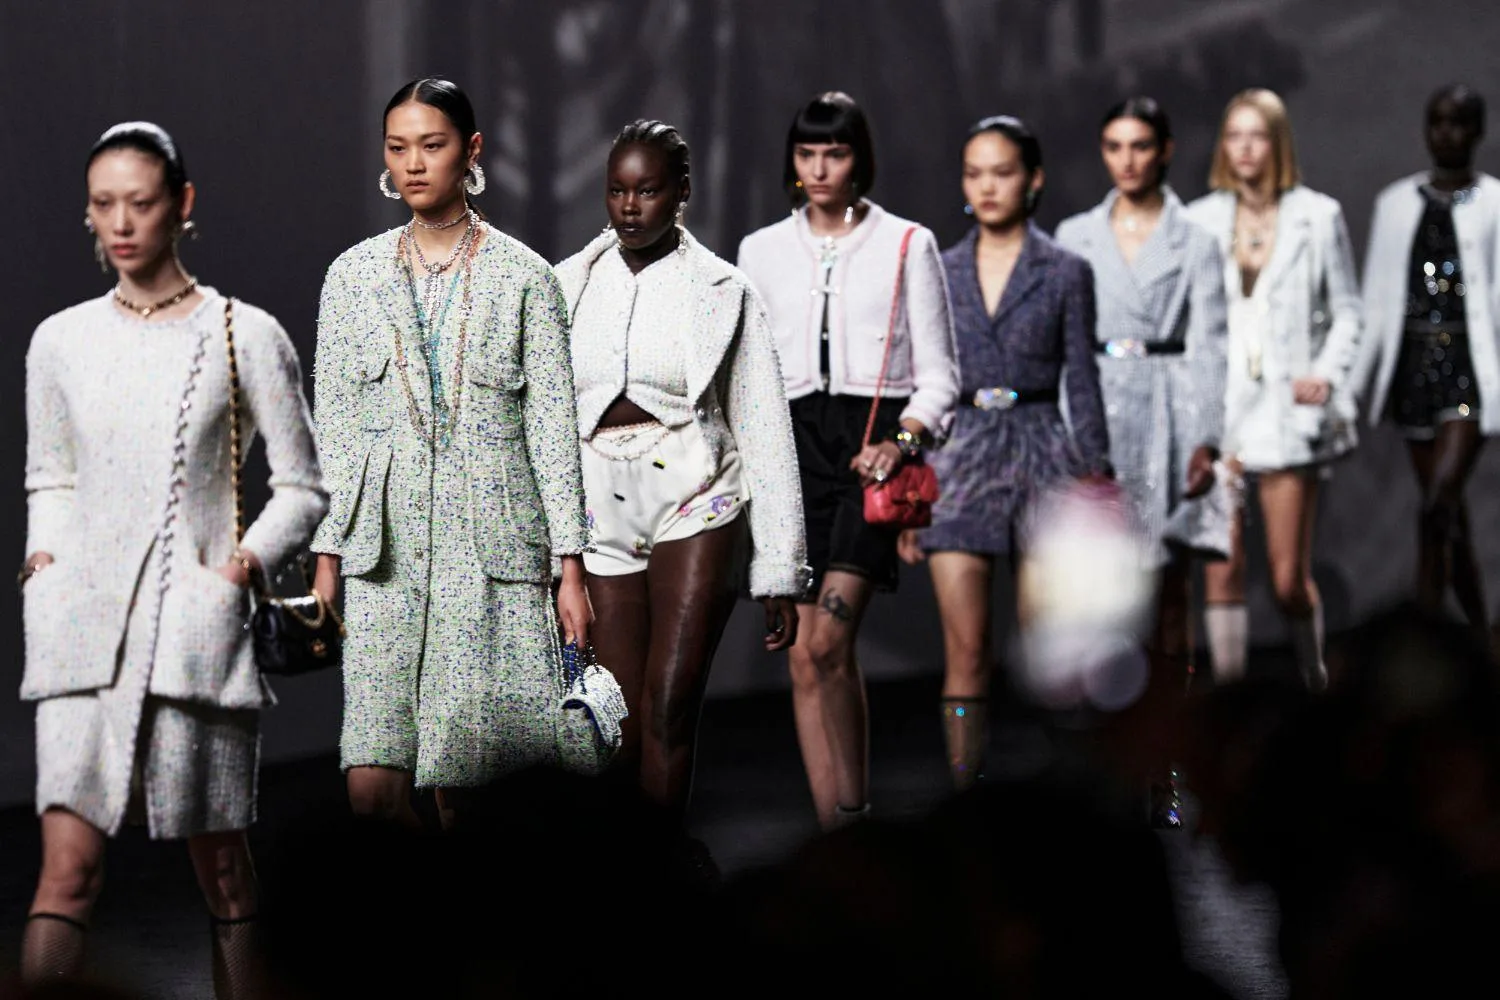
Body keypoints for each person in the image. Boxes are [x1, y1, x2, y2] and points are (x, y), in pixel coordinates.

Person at [19, 122, 326, 995]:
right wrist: (44, 562)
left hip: (192, 630)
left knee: (224, 874)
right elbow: (51, 475)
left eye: (140, 203)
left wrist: (238, 571)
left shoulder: (245, 334)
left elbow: (303, 486)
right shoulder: (60, 340)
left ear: (182, 204)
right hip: (80, 631)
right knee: (66, 873)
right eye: (103, 204)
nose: (121, 224)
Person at [310, 78, 592, 830]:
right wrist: (326, 556)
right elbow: (335, 429)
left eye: (431, 145)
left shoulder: (526, 277)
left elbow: (553, 429)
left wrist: (570, 567)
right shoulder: (351, 277)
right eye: (397, 147)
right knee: (372, 790)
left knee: (468, 794)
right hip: (385, 556)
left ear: (470, 151)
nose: (413, 164)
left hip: (491, 551)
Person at [555, 119, 806, 826]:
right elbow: (540, 418)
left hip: (694, 488)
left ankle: (662, 879)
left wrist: (780, 569)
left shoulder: (723, 288)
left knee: (671, 702)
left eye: (648, 190)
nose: (630, 206)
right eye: (617, 190)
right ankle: (633, 873)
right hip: (597, 495)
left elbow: (762, 423)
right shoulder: (565, 285)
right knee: (617, 720)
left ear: (682, 192)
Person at [738, 91, 960, 829]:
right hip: (791, 452)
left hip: (871, 454)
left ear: (858, 159)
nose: (820, 168)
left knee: (829, 639)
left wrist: (903, 443)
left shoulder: (907, 243)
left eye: (834, 153)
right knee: (805, 655)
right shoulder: (762, 251)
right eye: (807, 154)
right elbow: (751, 371)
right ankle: (836, 834)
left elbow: (940, 376)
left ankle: (855, 816)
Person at [897, 115, 1110, 789]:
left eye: (1003, 172)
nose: (987, 186)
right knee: (966, 653)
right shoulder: (937, 269)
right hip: (958, 458)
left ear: (1033, 179)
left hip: (1045, 452)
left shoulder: (1067, 271)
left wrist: (1099, 482)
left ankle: (1068, 798)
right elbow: (918, 377)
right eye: (974, 173)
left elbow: (1084, 382)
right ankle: (968, 799)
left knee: (1051, 651)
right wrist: (910, 488)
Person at [1054, 96, 1230, 827]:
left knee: (1168, 600)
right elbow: (1065, 342)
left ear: (1165, 150)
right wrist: (1072, 434)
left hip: (1169, 413)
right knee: (1103, 600)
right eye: (1114, 146)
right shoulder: (1076, 235)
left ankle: (1171, 763)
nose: (1126, 160)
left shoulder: (1195, 240)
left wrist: (1205, 437)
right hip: (1099, 408)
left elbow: (1211, 341)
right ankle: (1112, 766)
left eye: (1139, 146)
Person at [1185, 89, 1363, 692]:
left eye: (1256, 136)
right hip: (1224, 412)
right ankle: (1229, 709)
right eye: (1233, 136)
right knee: (1222, 568)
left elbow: (1348, 310)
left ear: (1277, 142)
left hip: (1286, 413)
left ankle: (1314, 681)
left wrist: (1327, 373)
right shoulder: (1199, 221)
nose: (1244, 149)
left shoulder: (1318, 216)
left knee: (1288, 580)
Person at [1353, 84, 1500, 639]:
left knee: (1438, 500)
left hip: (1469, 364)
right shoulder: (1395, 203)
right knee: (1446, 511)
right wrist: (1349, 388)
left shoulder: (1495, 202)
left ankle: (1423, 635)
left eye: (1459, 122)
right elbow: (1375, 302)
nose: (1446, 133)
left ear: (1478, 131)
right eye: (1437, 121)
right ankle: (1481, 639)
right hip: (1413, 364)